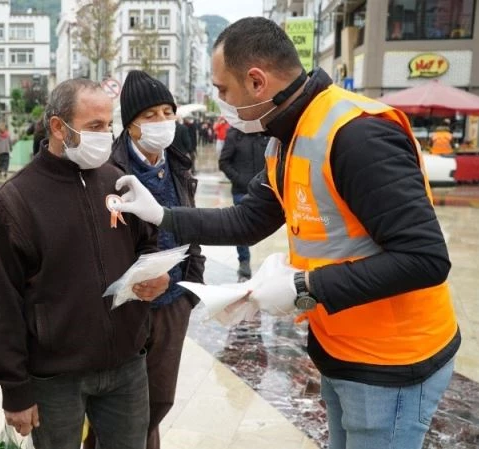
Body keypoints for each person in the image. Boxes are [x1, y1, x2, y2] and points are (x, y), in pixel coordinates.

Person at [115, 17, 459, 449]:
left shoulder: (358, 134)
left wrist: (304, 287)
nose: (221, 102)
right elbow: (247, 220)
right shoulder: (285, 137)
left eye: (223, 90)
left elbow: (425, 259)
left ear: (256, 81)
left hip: (392, 363)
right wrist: (163, 215)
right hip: (340, 348)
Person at [0, 78, 170, 449]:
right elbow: (4, 304)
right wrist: (15, 389)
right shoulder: (15, 203)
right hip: (55, 377)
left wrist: (154, 274)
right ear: (58, 127)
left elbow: (146, 243)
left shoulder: (118, 182)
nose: (105, 135)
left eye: (109, 125)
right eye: (94, 126)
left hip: (126, 365)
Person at [97, 70, 205, 449]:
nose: (162, 121)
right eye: (150, 115)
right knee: (121, 410)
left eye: (167, 112)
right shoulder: (109, 171)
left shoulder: (179, 164)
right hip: (128, 308)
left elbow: (193, 229)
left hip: (173, 303)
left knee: (159, 399)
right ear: (131, 124)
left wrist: (189, 291)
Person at [218, 127, 269, 281]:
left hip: (264, 190)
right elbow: (224, 162)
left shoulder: (266, 133)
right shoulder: (235, 135)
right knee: (241, 228)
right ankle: (244, 263)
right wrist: (238, 178)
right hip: (241, 190)